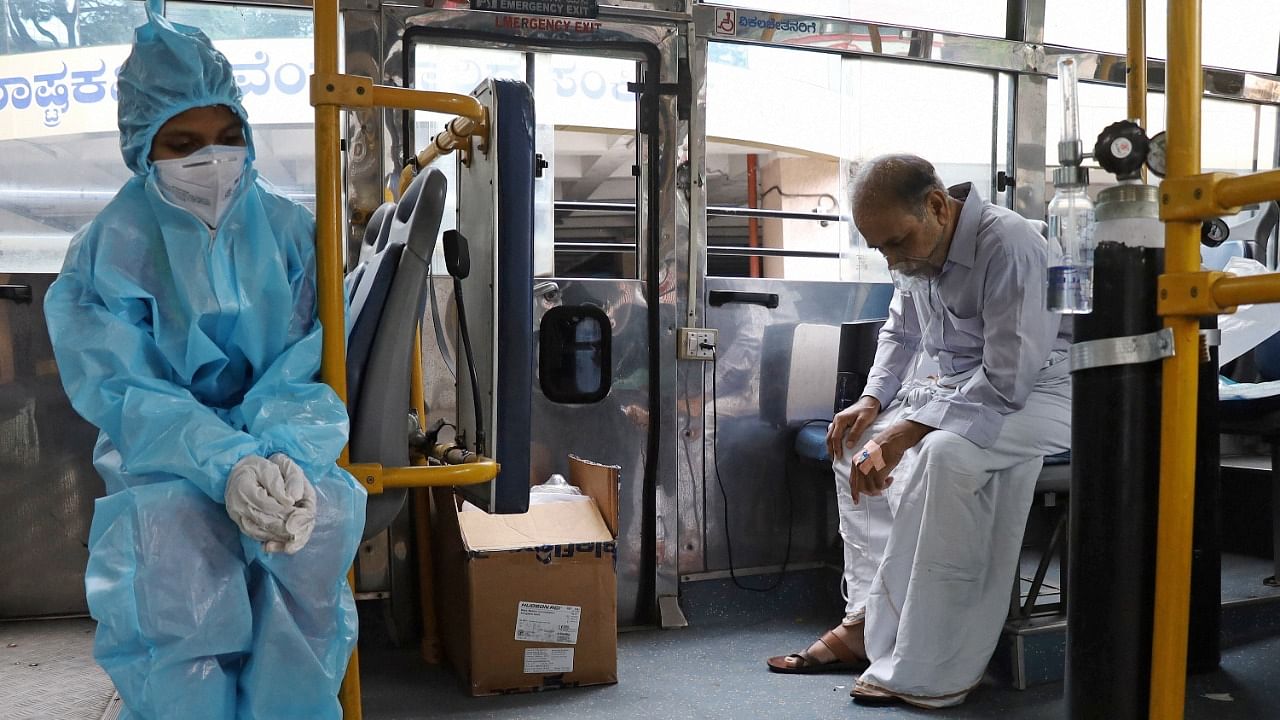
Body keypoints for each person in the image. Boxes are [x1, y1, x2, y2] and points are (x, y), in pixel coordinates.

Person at [43, 7, 365, 719]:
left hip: (280, 435)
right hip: (166, 459)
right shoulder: (107, 251)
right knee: (175, 540)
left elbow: (301, 366)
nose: (212, 158)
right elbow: (132, 394)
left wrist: (281, 459)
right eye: (183, 140)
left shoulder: (290, 232)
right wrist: (226, 465)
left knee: (320, 519)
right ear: (143, 146)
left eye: (227, 136)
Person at [766, 154, 1071, 708]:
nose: (891, 257)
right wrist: (872, 400)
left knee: (941, 456)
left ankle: (931, 660)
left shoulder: (1009, 245)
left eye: (895, 243)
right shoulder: (913, 250)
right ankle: (868, 622)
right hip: (956, 387)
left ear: (936, 206)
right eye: (880, 247)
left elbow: (1009, 375)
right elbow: (901, 333)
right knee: (853, 446)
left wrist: (909, 430)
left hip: (1044, 390)